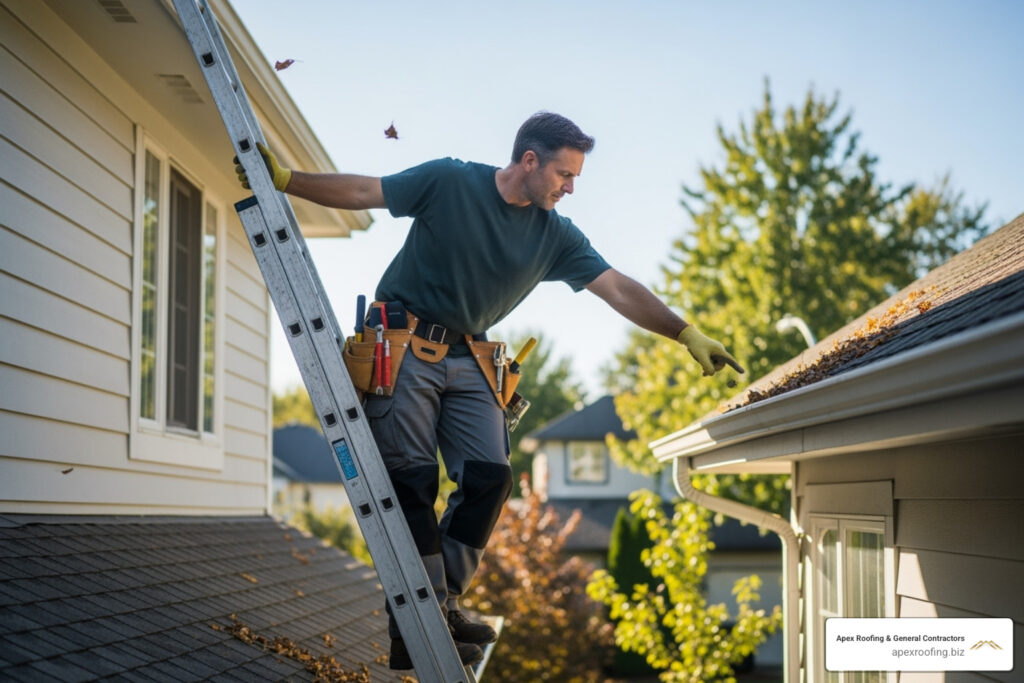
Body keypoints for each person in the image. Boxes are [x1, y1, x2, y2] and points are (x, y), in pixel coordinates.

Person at [236, 112, 743, 670]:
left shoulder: (556, 235)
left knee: (490, 476)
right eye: (564, 174)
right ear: (529, 160)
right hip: (402, 342)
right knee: (411, 479)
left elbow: (618, 287)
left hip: (471, 357)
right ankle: (420, 620)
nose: (571, 188)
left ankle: (441, 604)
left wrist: (685, 332)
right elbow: (364, 190)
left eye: (575, 178)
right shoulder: (450, 182)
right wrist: (286, 179)